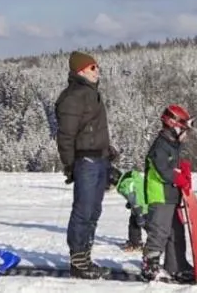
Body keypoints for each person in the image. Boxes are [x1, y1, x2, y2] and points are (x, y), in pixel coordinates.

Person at [55, 50, 116, 280]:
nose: (97, 70)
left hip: (99, 160)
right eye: (92, 67)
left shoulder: (91, 94)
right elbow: (66, 135)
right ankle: (78, 261)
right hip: (85, 162)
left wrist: (108, 152)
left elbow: (94, 131)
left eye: (97, 66)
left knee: (94, 211)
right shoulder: (73, 97)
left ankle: (86, 257)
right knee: (83, 210)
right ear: (80, 71)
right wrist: (70, 164)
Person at [141, 104, 196, 284]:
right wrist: (177, 177)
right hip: (160, 195)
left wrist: (183, 171)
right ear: (173, 125)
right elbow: (162, 169)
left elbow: (173, 166)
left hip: (171, 195)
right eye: (183, 129)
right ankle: (151, 266)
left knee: (176, 231)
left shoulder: (173, 145)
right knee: (160, 230)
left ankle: (176, 265)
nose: (185, 133)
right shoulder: (161, 145)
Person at [115, 168, 147, 252]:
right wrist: (130, 203)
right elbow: (137, 191)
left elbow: (132, 195)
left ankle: (137, 244)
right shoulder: (132, 179)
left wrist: (138, 211)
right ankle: (136, 242)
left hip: (140, 207)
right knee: (134, 223)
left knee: (137, 224)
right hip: (143, 203)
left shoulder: (125, 183)